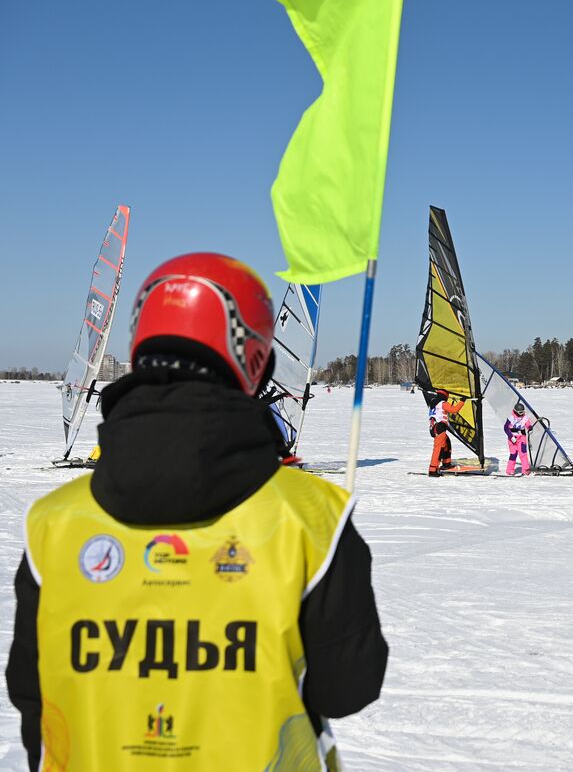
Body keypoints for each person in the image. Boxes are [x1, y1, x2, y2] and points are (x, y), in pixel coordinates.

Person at [5, 253, 387, 771]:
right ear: (255, 362)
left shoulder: (55, 523)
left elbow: (33, 694)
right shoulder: (312, 518)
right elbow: (347, 687)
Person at [427, 388, 466, 476]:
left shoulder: (433, 402)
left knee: (447, 444)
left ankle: (446, 464)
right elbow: (454, 410)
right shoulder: (442, 403)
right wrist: (462, 401)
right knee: (438, 449)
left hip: (434, 427)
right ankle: (433, 469)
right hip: (439, 427)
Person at [504, 400, 533, 476]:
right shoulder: (511, 418)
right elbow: (506, 428)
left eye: (523, 412)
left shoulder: (525, 418)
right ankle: (509, 470)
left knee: (523, 454)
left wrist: (529, 427)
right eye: (520, 412)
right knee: (513, 454)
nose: (522, 414)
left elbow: (528, 424)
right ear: (516, 411)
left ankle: (526, 470)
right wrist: (511, 437)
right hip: (512, 439)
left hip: (522, 438)